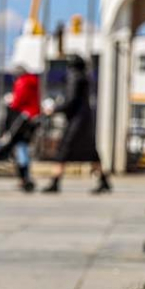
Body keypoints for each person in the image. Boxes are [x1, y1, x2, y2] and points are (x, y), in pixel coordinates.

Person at [42, 55, 110, 194]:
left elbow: (70, 101)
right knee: (91, 151)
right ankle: (104, 180)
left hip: (75, 121)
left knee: (63, 149)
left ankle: (55, 182)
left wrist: (54, 109)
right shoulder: (85, 77)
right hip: (85, 119)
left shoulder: (74, 77)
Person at [7, 65, 40, 192]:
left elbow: (18, 101)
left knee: (21, 147)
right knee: (24, 147)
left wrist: (11, 102)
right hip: (33, 116)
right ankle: (25, 177)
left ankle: (24, 177)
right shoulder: (34, 81)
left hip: (24, 117)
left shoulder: (23, 82)